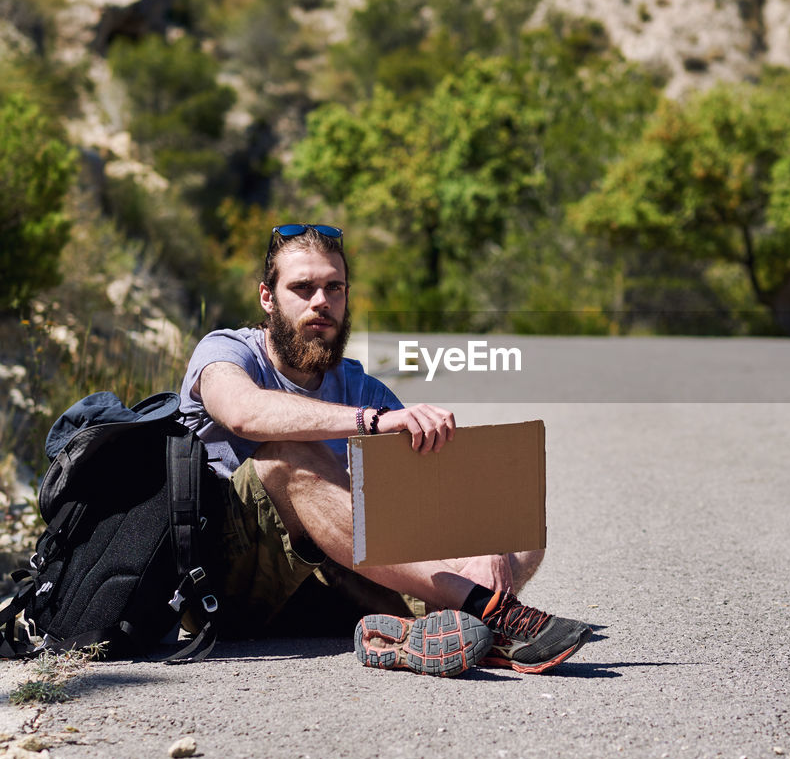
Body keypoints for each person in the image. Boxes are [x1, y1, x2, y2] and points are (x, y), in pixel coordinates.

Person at [178, 223, 591, 676]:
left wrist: (485, 545)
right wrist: (370, 421)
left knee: (511, 515)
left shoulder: (358, 384)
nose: (321, 302)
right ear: (267, 297)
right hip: (225, 585)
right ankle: (488, 611)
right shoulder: (226, 352)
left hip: (328, 582)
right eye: (302, 288)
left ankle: (411, 633)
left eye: (334, 288)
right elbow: (243, 412)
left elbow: (429, 491)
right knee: (291, 457)